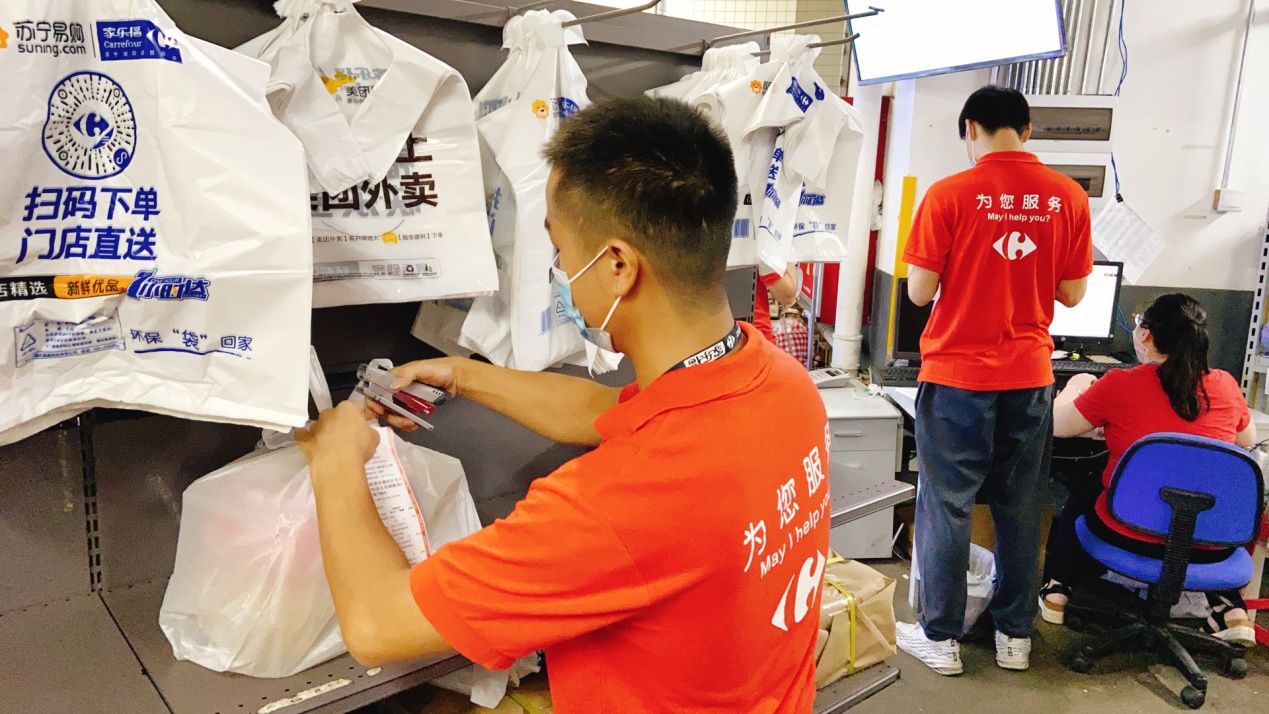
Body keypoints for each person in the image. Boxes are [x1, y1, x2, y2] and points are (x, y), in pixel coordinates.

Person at [294, 97, 832, 713]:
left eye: (559, 250)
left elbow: (376, 625)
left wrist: (335, 459)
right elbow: (602, 410)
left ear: (618, 266)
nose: (559, 269)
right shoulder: (780, 383)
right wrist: (464, 375)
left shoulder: (617, 505)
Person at [897, 86, 1093, 675]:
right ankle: (1015, 637)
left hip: (957, 377)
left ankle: (941, 637)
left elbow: (918, 293)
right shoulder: (1067, 197)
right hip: (1029, 378)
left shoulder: (948, 194)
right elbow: (1073, 293)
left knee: (948, 505)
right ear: (1027, 131)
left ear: (970, 129)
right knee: (1020, 506)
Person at [1044, 293, 1258, 646]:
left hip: (1132, 535)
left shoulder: (1120, 383)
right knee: (1196, 499)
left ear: (1145, 334)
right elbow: (1245, 440)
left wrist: (1077, 385)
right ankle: (1231, 609)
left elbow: (1059, 425)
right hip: (1212, 546)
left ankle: (1056, 591)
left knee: (1086, 485)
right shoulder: (1225, 384)